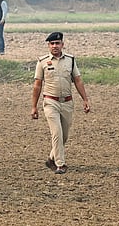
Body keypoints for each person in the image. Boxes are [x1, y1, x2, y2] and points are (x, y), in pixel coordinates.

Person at [31, 32, 91, 174]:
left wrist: (85, 99)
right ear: (48, 46)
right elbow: (37, 85)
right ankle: (60, 164)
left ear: (62, 45)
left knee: (64, 136)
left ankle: (51, 158)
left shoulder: (70, 60)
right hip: (50, 102)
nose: (55, 46)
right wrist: (34, 106)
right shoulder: (42, 62)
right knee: (56, 133)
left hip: (67, 103)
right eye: (52, 44)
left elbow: (77, 80)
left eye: (57, 43)